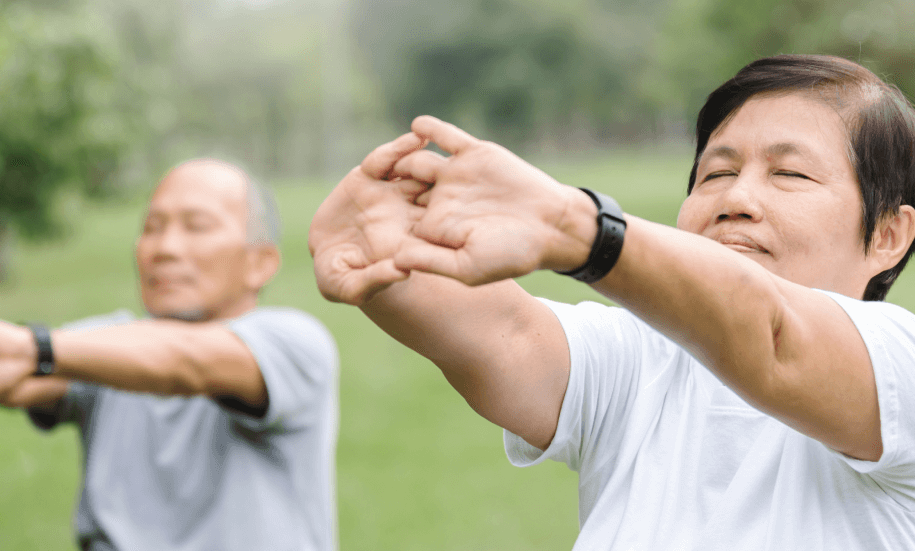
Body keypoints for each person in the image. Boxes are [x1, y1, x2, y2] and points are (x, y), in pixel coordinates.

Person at [309, 54, 915, 549]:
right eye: (715, 174)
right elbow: (507, 335)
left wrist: (580, 229)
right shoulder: (643, 358)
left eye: (790, 175)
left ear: (888, 236)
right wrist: (385, 256)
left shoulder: (899, 371)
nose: (738, 198)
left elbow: (774, 338)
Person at [0, 159, 340, 551]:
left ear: (260, 262)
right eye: (152, 228)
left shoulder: (295, 342)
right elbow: (22, 373)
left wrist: (33, 347)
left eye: (196, 226)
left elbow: (190, 363)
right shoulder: (103, 344)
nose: (165, 249)